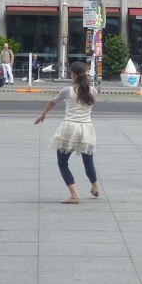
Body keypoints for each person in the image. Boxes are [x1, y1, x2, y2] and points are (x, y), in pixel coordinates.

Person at [34, 62, 99, 203]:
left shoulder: (67, 90)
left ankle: (74, 195)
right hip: (87, 128)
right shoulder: (93, 91)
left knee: (63, 163)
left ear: (73, 74)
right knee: (88, 162)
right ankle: (94, 186)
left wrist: (43, 114)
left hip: (70, 128)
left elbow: (53, 102)